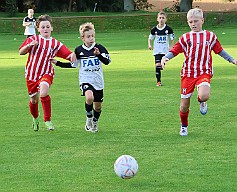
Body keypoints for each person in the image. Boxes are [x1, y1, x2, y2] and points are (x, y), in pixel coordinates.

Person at [161, 8, 237, 136]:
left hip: (204, 72)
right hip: (188, 74)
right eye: (190, 22)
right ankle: (184, 126)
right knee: (184, 105)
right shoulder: (186, 37)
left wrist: (232, 59)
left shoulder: (210, 36)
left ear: (202, 20)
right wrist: (165, 58)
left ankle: (202, 101)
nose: (193, 24)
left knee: (204, 95)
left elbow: (219, 50)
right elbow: (175, 50)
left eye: (196, 21)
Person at [51, 22, 111, 133]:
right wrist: (57, 63)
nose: (91, 38)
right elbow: (73, 65)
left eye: (92, 36)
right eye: (88, 36)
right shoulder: (79, 50)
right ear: (83, 38)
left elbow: (107, 62)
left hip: (98, 81)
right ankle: (88, 117)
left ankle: (95, 122)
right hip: (85, 79)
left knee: (97, 108)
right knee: (89, 97)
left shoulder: (100, 48)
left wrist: (98, 55)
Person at [19, 15, 75, 131]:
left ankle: (48, 120)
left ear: (51, 28)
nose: (45, 29)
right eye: (43, 27)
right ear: (38, 29)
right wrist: (29, 45)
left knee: (44, 92)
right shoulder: (33, 39)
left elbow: (69, 55)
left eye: (47, 26)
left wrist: (76, 54)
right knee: (33, 100)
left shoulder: (55, 44)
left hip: (46, 72)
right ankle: (35, 118)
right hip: (31, 74)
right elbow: (21, 52)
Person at [148, 11, 175, 86]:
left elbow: (172, 38)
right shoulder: (154, 29)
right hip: (157, 50)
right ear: (157, 19)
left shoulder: (168, 29)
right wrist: (150, 45)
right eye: (160, 18)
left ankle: (162, 65)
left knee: (160, 65)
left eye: (163, 18)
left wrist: (171, 46)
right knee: (157, 65)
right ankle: (158, 82)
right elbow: (150, 38)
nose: (161, 19)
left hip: (165, 50)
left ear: (166, 19)